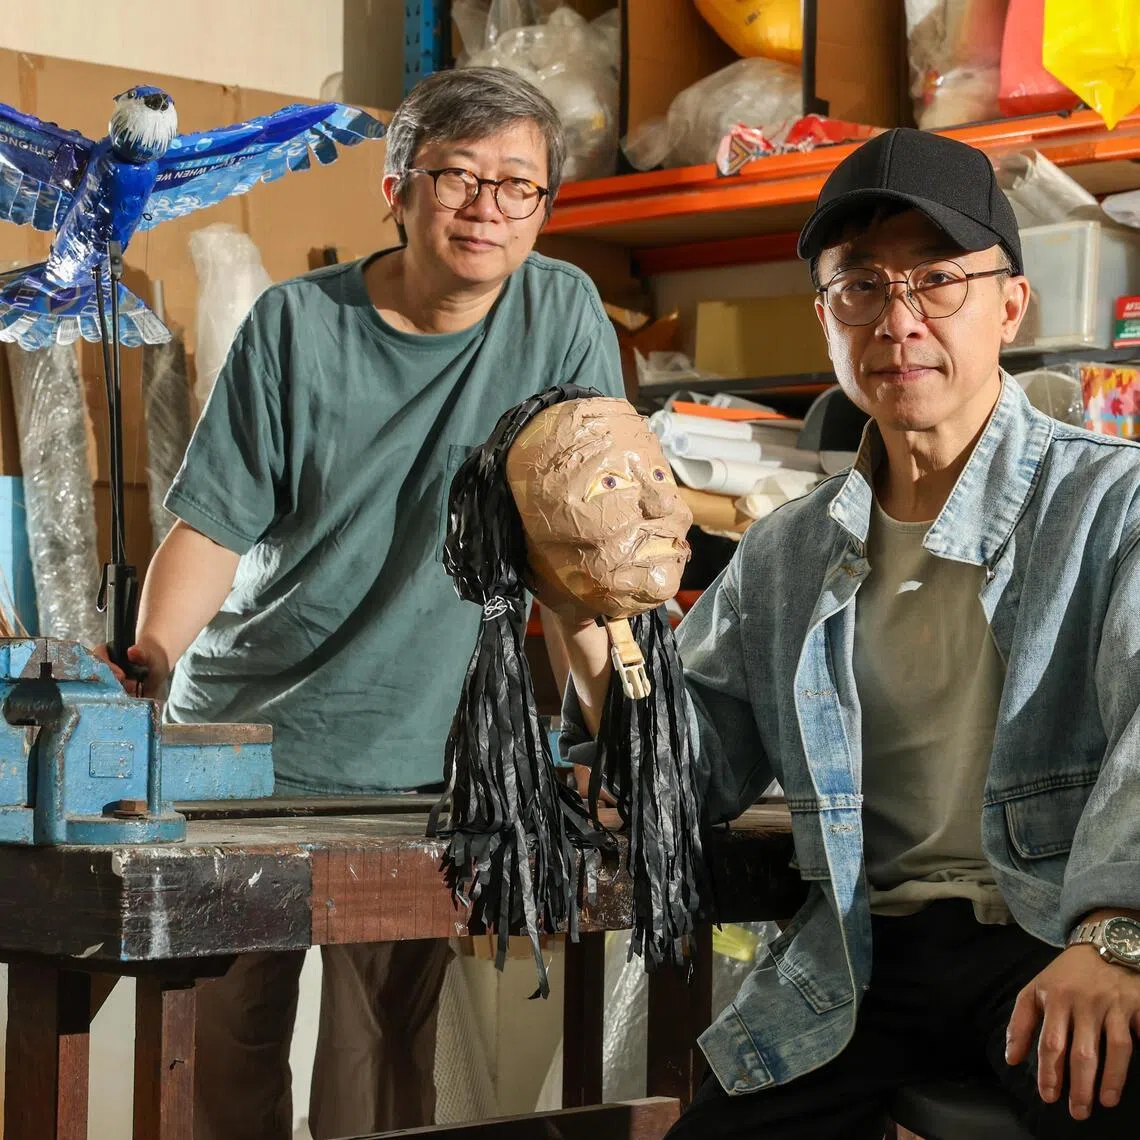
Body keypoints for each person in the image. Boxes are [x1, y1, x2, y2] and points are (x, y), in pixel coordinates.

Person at [554, 127, 1140, 1139]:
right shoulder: (787, 552)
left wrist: (1116, 936)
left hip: (1052, 933)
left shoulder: (1111, 504)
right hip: (863, 960)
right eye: (859, 288)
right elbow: (686, 774)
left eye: (937, 282)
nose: (897, 320)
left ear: (1011, 302)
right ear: (826, 320)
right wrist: (588, 614)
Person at [107, 67, 623, 1140]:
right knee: (227, 1033)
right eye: (457, 177)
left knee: (382, 1048)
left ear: (544, 209)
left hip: (427, 758)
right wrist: (148, 656)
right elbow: (211, 525)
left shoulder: (563, 311)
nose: (486, 206)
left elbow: (580, 546)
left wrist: (620, 725)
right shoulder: (297, 327)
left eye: (516, 185)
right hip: (253, 745)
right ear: (396, 188)